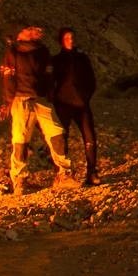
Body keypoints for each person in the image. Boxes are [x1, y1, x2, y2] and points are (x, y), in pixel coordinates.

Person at [0, 24, 79, 195]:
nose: (36, 32)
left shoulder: (42, 51)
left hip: (41, 99)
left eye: (36, 30)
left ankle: (64, 175)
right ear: (20, 34)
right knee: (20, 139)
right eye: (30, 29)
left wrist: (52, 96)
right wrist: (7, 102)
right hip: (21, 99)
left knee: (57, 133)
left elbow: (49, 75)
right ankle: (19, 179)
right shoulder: (13, 52)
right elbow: (8, 78)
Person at [52, 27, 101, 186]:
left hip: (82, 104)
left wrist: (86, 96)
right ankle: (62, 174)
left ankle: (91, 172)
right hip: (63, 105)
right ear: (61, 40)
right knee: (62, 139)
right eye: (67, 38)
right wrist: (54, 98)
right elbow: (51, 81)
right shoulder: (57, 60)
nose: (70, 40)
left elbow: (91, 80)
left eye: (72, 37)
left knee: (90, 137)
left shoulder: (82, 58)